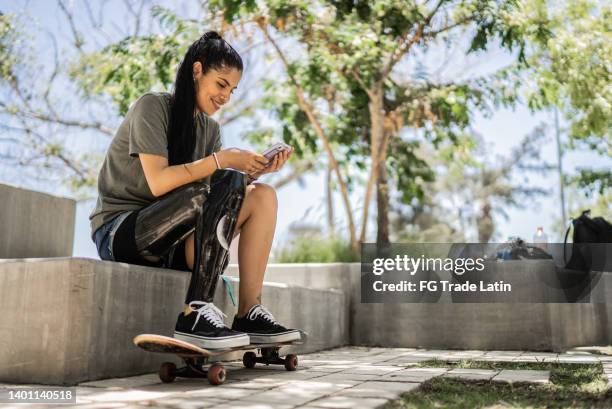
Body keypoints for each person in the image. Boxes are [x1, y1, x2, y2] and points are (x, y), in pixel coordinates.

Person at [89, 31, 301, 350]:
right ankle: (195, 313)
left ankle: (248, 312)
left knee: (262, 196)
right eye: (221, 84)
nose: (226, 96)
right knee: (219, 181)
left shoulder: (210, 130)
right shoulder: (153, 107)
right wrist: (221, 161)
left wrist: (253, 173)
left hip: (175, 242)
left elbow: (220, 201)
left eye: (231, 89)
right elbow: (159, 183)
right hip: (122, 232)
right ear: (197, 71)